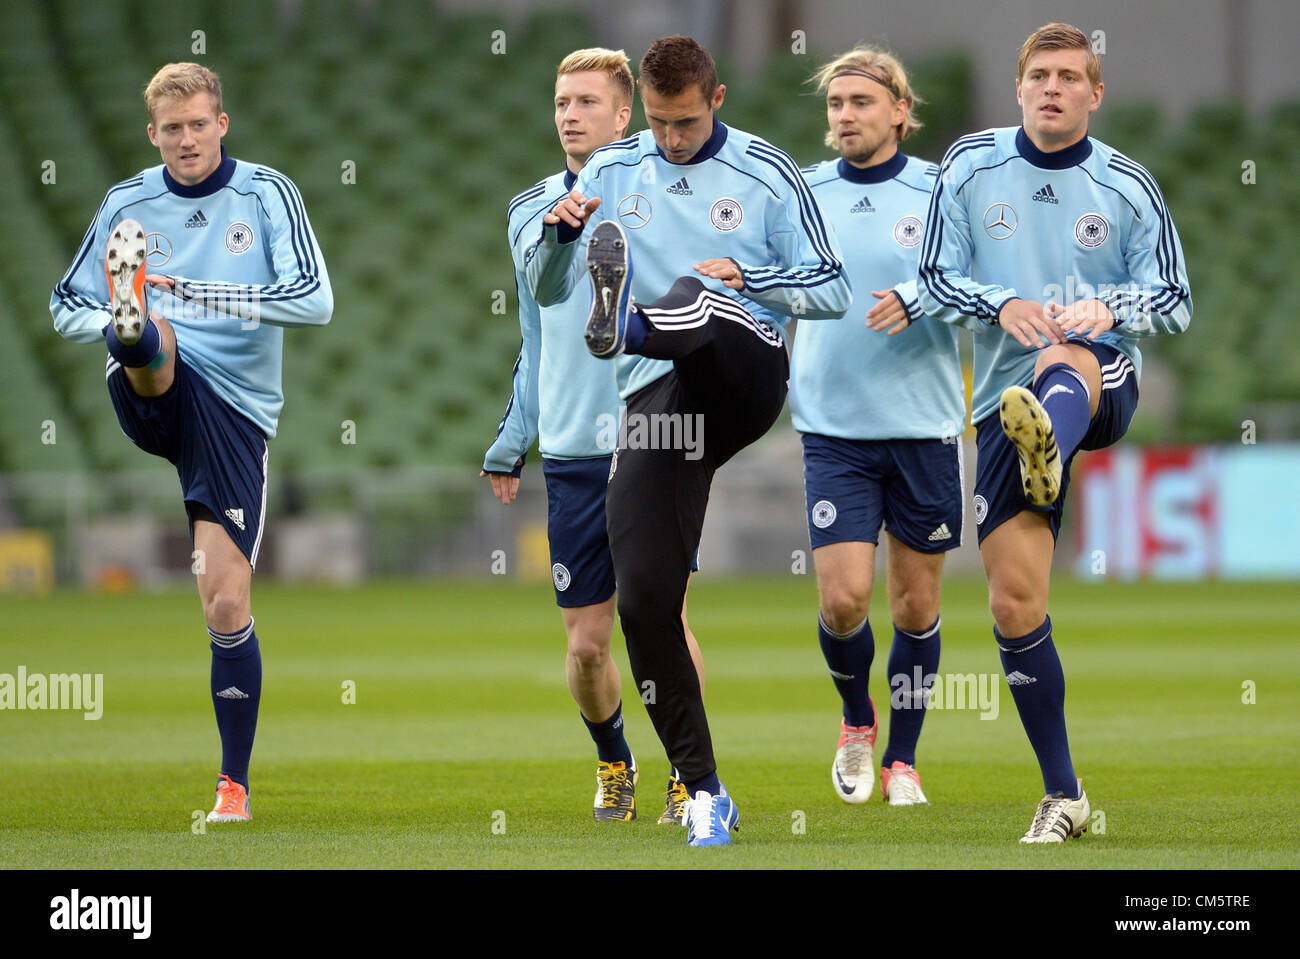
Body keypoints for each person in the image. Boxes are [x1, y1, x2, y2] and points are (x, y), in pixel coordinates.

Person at [528, 35, 849, 846]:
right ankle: (705, 791)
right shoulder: (608, 171)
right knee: (644, 599)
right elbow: (543, 290)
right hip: (661, 404)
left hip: (743, 370)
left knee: (698, 294)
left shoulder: (767, 173)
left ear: (719, 97)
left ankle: (633, 318)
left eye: (687, 121)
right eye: (662, 124)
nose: (673, 139)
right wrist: (561, 238)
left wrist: (756, 279)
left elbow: (835, 287)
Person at [918, 22, 1190, 842]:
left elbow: (1174, 296)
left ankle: (1054, 437)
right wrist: (1000, 304)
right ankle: (1065, 793)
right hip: (999, 403)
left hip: (1103, 381)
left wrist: (1114, 307)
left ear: (1095, 94)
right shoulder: (969, 167)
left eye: (1071, 77)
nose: (1053, 87)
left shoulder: (1128, 186)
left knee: (1068, 353)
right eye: (1040, 74)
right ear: (1018, 86)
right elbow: (932, 276)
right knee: (1012, 601)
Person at [51, 62, 333, 822]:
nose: (185, 139)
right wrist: (115, 319)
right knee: (151, 335)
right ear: (153, 135)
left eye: (198, 124)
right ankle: (134, 328)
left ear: (222, 124)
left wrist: (204, 292)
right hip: (160, 385)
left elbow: (315, 301)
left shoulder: (267, 194)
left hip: (236, 413)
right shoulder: (127, 202)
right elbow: (60, 305)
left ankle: (232, 787)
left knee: (225, 601)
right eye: (170, 129)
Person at [481, 48, 705, 824]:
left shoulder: (670, 193)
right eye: (560, 101)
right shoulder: (528, 209)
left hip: (658, 430)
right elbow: (537, 333)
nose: (570, 114)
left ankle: (690, 773)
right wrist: (514, 436)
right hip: (575, 446)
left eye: (586, 102)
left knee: (664, 614)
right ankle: (615, 760)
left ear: (623, 116)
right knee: (586, 646)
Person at [794, 46, 964, 807]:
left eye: (861, 102)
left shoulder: (941, 192)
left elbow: (983, 288)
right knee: (842, 601)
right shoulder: (803, 191)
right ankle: (858, 721)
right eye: (836, 105)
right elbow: (774, 284)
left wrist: (920, 295)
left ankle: (904, 759)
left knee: (916, 607)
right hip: (833, 426)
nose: (846, 116)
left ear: (900, 109)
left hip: (923, 426)